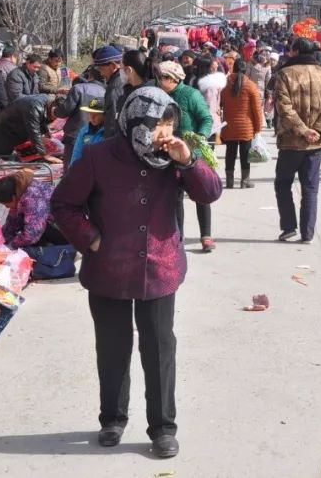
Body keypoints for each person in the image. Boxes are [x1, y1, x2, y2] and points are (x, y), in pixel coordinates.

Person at [51, 85, 222, 459]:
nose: (164, 131)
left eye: (169, 122)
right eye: (158, 123)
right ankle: (112, 418)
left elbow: (209, 193)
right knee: (113, 348)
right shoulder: (99, 156)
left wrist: (188, 160)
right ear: (136, 121)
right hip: (109, 268)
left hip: (160, 268)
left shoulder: (174, 157)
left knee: (159, 347)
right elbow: (63, 203)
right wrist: (91, 240)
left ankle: (163, 427)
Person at [273, 38, 321, 243]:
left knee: (283, 183)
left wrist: (303, 130)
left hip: (292, 141)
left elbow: (284, 107)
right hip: (315, 144)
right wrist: (317, 131)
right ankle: (308, 233)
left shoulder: (285, 74)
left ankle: (289, 226)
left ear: (295, 51)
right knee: (310, 189)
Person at [157, 61, 215, 253]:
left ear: (172, 79)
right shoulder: (159, 96)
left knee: (201, 194)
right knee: (175, 197)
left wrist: (198, 139)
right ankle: (178, 237)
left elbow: (206, 119)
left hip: (192, 152)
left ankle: (206, 235)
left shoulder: (191, 95)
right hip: (168, 153)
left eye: (162, 78)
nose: (159, 81)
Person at [0, 169, 64, 248]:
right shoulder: (19, 191)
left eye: (6, 204)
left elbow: (31, 234)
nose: (7, 207)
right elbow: (12, 222)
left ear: (13, 198)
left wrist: (12, 245)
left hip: (64, 228)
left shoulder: (33, 197)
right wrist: (1, 240)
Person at [220, 57, 264, 189]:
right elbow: (257, 110)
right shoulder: (251, 86)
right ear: (246, 70)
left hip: (229, 126)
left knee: (230, 153)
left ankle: (229, 181)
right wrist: (258, 127)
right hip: (246, 127)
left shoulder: (225, 85)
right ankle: (245, 181)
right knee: (245, 155)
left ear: (233, 69)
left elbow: (221, 103)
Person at [55, 66, 105, 166]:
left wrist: (55, 111)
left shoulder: (79, 88)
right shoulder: (106, 92)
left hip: (75, 133)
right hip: (96, 135)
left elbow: (65, 110)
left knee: (71, 167)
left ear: (90, 76)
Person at [0, 94, 61, 163]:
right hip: (7, 128)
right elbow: (34, 132)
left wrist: (46, 133)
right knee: (1, 159)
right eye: (56, 114)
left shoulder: (47, 103)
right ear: (53, 106)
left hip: (20, 129)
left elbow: (41, 120)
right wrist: (45, 155)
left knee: (19, 158)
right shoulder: (35, 106)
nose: (56, 118)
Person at [92, 45, 125, 139]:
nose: (101, 74)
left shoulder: (114, 88)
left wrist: (107, 145)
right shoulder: (123, 79)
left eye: (101, 69)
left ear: (113, 65)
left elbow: (112, 123)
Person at [194, 56, 227, 142]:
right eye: (213, 68)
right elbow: (209, 104)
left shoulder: (195, 79)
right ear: (206, 68)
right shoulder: (210, 85)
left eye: (216, 68)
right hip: (208, 120)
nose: (215, 71)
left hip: (200, 119)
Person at [70, 97, 107, 166]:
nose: (92, 117)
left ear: (105, 115)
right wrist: (72, 173)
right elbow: (77, 154)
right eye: (90, 113)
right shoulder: (84, 131)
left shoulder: (109, 132)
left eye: (96, 114)